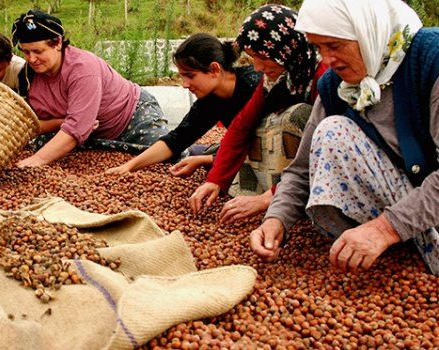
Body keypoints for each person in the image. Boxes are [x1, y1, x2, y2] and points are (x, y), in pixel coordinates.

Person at [250, 0, 439, 275]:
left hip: (424, 213)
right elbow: (301, 170)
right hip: (401, 218)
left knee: (334, 131)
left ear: (368, 30)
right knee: (331, 132)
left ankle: (412, 250)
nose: (326, 61)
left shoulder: (430, 61)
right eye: (318, 48)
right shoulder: (338, 86)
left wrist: (384, 229)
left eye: (335, 46)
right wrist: (276, 219)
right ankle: (399, 258)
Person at [188, 4, 328, 224]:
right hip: (289, 174)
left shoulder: (324, 77)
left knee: (299, 115)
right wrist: (215, 179)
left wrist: (268, 199)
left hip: (318, 170)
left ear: (286, 48)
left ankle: (295, 200)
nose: (257, 67)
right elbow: (242, 125)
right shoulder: (276, 80)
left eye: (262, 56)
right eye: (252, 57)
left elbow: (326, 152)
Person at [11, 9, 170, 167]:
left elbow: (76, 127)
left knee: (168, 153)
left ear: (58, 43)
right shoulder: (27, 76)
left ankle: (194, 153)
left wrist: (38, 160)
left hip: (130, 117)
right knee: (37, 145)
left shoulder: (82, 69)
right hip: (90, 135)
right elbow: (31, 124)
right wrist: (63, 123)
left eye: (38, 51)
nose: (32, 59)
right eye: (26, 52)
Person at [105, 33, 260, 175]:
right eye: (182, 76)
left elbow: (262, 147)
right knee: (196, 152)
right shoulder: (210, 100)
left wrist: (204, 160)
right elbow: (177, 139)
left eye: (190, 76)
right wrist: (128, 167)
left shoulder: (256, 86)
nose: (185, 84)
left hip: (266, 155)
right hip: (240, 147)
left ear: (214, 69)